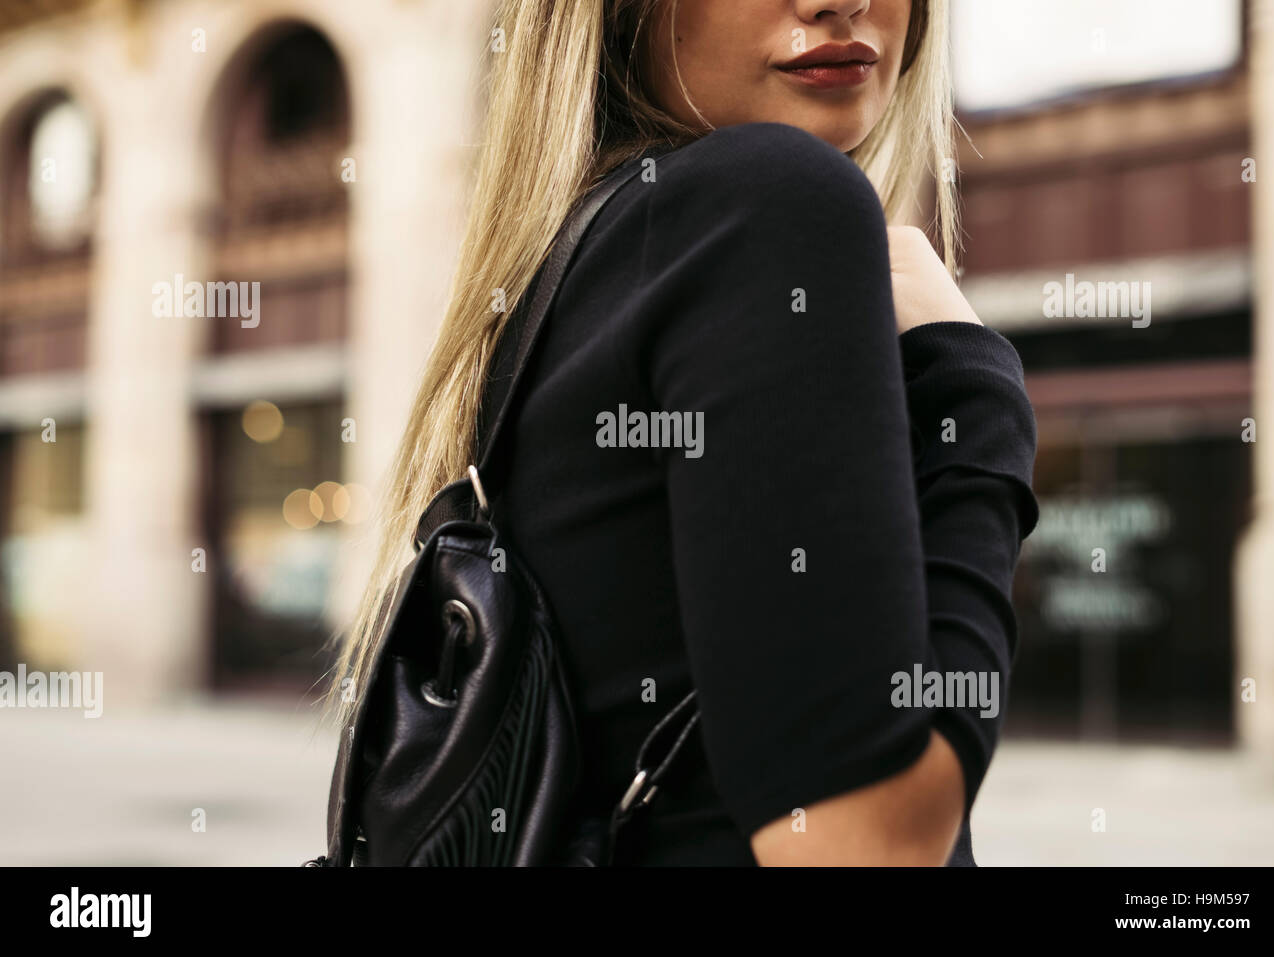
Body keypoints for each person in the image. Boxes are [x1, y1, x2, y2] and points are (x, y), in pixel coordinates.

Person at [331, 0, 1039, 866]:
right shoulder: (769, 202)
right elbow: (862, 845)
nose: (840, 2)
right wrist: (976, 392)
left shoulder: (581, 268)